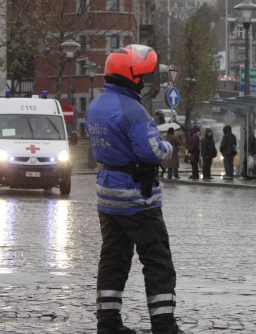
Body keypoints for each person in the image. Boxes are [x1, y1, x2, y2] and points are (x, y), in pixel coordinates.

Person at [84, 44, 185, 334]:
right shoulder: (133, 110)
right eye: (143, 76)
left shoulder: (95, 106)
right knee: (157, 261)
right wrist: (168, 146)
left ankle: (108, 322)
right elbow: (151, 151)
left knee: (113, 259)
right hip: (138, 199)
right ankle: (164, 326)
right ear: (133, 78)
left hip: (107, 197)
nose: (146, 81)